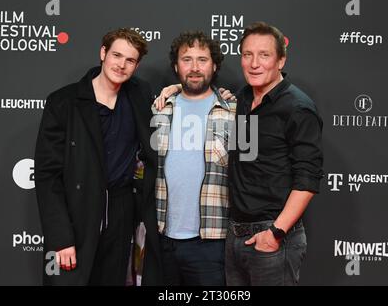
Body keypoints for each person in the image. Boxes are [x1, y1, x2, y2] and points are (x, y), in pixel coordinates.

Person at [34, 28, 162, 285]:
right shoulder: (64, 102)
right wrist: (61, 238)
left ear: (136, 65)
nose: (121, 65)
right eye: (117, 55)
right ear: (103, 53)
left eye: (130, 60)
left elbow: (178, 97)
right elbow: (48, 175)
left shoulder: (139, 94)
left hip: (121, 210)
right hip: (77, 212)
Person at [226, 21, 324, 286]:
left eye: (264, 55)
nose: (254, 63)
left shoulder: (298, 108)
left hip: (273, 239)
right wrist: (172, 89)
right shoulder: (243, 99)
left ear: (281, 60)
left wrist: (275, 233)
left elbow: (307, 178)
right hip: (235, 235)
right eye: (248, 55)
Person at [151, 31, 236, 285]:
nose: (195, 67)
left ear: (215, 65)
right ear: (176, 66)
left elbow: (251, 175)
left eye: (202, 59)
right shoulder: (158, 109)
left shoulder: (237, 112)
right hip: (162, 239)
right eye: (187, 59)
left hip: (212, 243)